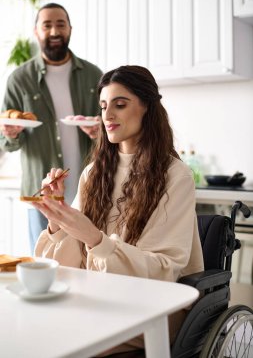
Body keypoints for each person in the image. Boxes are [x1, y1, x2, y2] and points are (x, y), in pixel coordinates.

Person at [32, 65, 204, 356]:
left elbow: (163, 272)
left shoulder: (176, 177)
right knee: (35, 329)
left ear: (147, 107)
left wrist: (96, 241)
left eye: (120, 105)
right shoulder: (92, 174)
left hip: (156, 308)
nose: (107, 116)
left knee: (62, 343)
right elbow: (66, 268)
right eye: (103, 106)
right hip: (101, 299)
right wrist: (57, 219)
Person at [0, 3, 103, 253]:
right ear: (37, 32)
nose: (54, 31)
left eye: (60, 24)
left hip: (89, 191)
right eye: (47, 25)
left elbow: (112, 130)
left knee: (92, 261)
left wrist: (100, 133)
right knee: (47, 263)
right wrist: (11, 133)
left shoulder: (93, 75)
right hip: (41, 196)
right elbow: (6, 141)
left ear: (70, 29)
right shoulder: (20, 79)